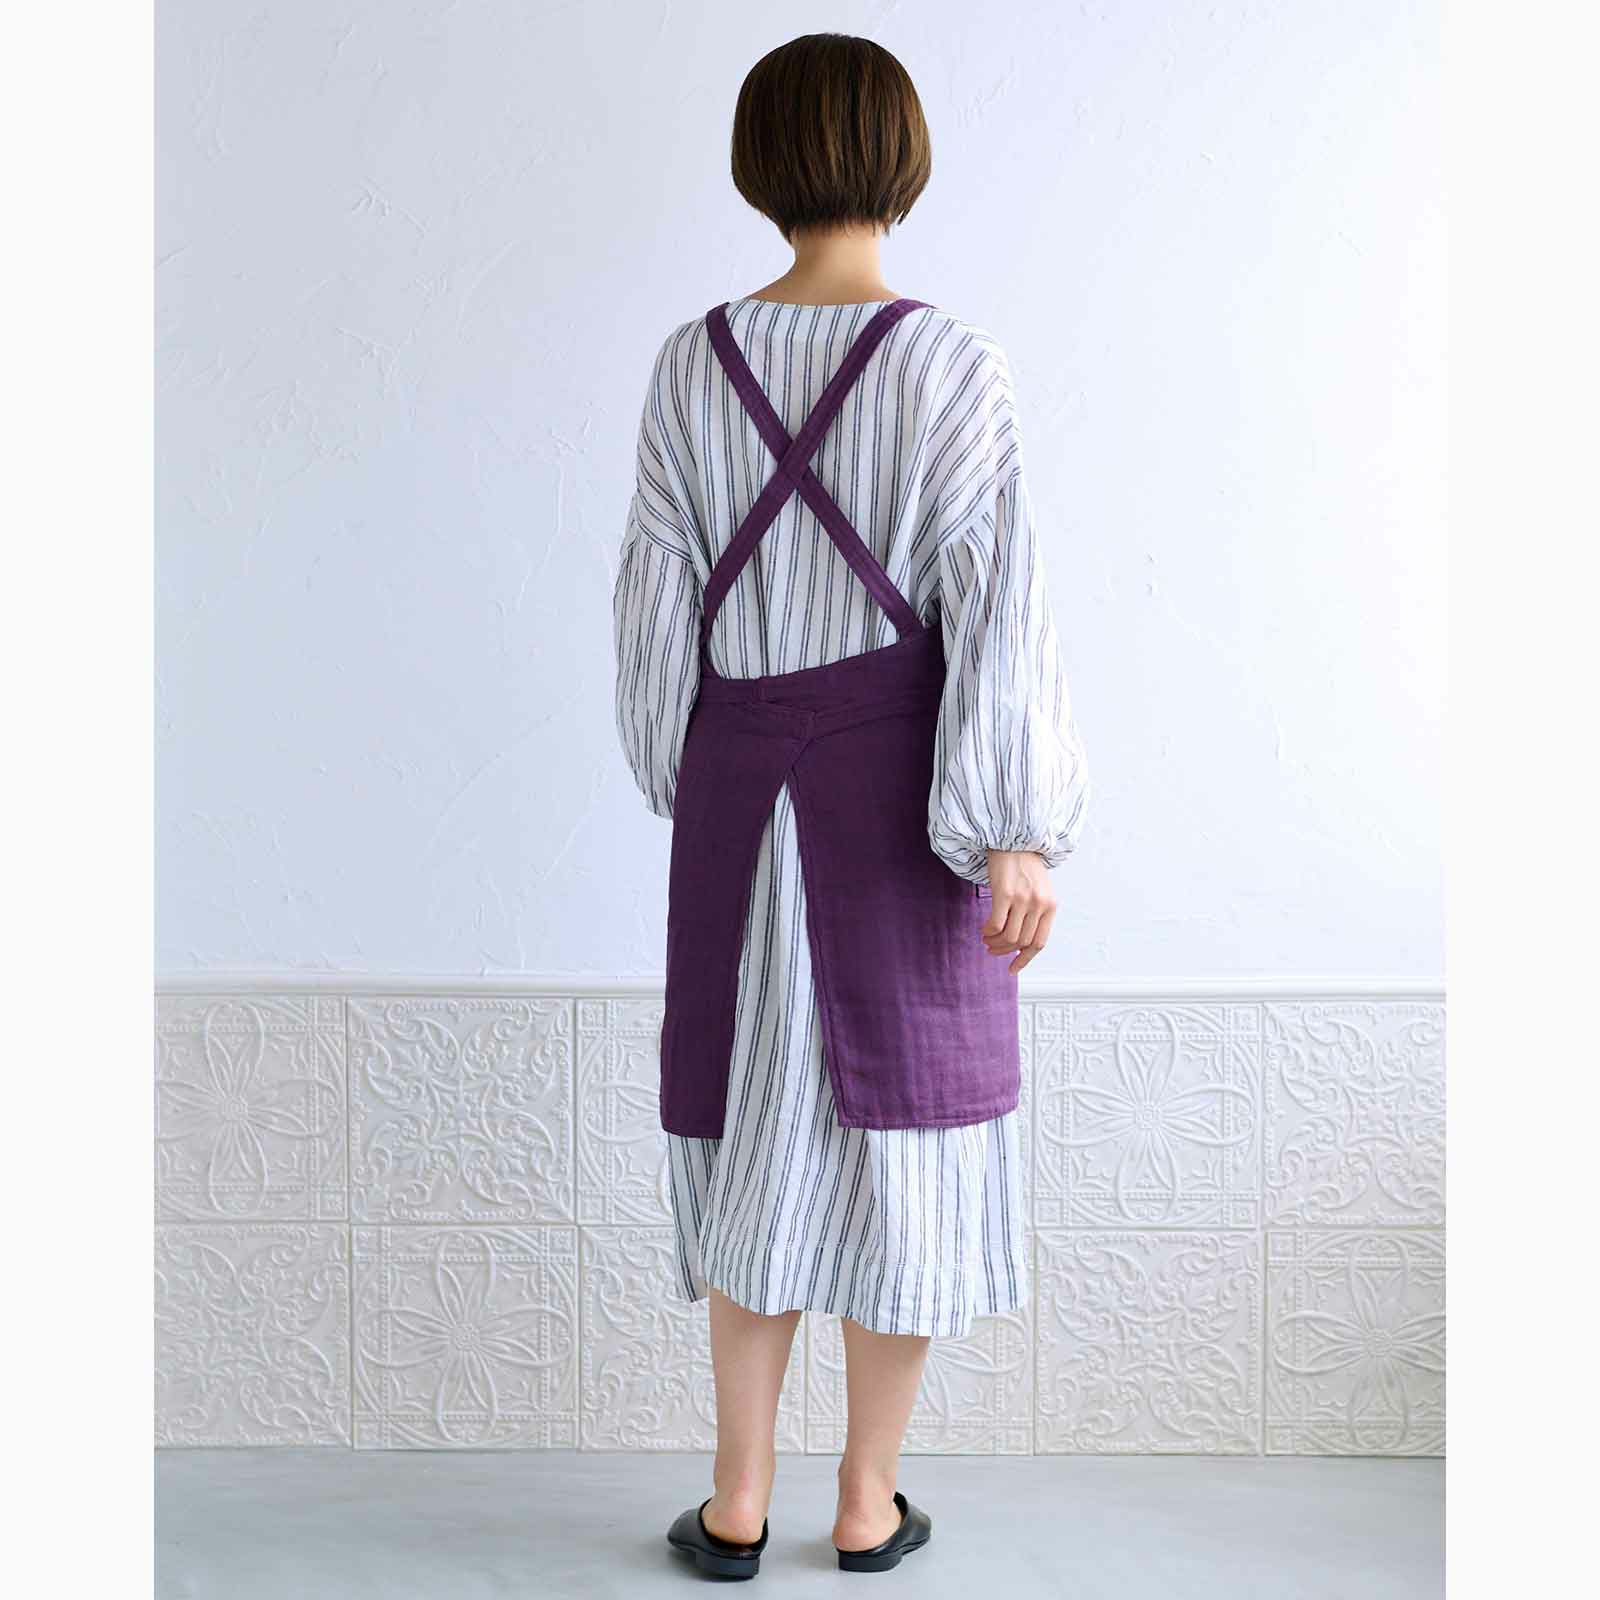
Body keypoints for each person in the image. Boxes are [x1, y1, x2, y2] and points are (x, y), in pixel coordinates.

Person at [612, 31, 1089, 1579]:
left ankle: (736, 1500)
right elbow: (998, 602)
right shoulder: (953, 366)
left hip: (740, 803)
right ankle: (867, 1502)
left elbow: (653, 612)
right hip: (901, 806)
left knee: (754, 1136)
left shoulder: (691, 365)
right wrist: (1011, 826)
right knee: (911, 1148)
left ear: (762, 162)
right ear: (902, 157)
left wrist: (690, 771)